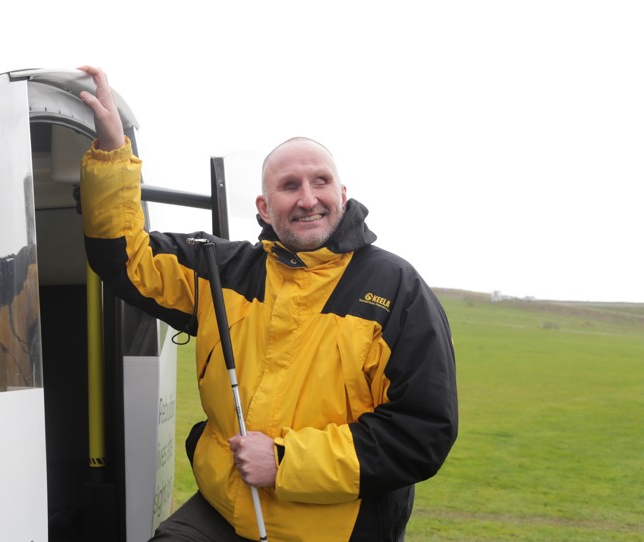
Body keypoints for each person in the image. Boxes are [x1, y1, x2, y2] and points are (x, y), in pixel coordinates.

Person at [77, 65, 458, 542]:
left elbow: (422, 432)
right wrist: (113, 155)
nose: (307, 198)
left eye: (320, 182)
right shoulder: (220, 271)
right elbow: (124, 258)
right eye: (289, 186)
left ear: (342, 194)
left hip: (334, 530)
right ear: (262, 206)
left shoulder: (397, 289)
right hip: (225, 507)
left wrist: (284, 462)